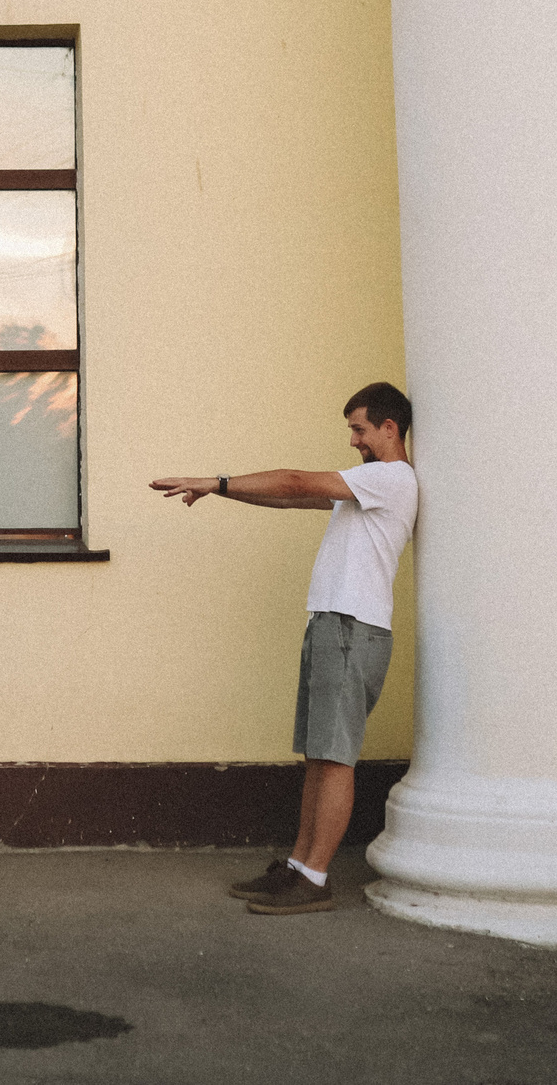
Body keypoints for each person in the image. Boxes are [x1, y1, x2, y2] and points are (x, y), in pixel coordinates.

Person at [148, 381, 415, 917]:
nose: (353, 441)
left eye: (359, 430)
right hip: (334, 625)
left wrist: (212, 478)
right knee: (320, 754)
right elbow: (291, 494)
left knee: (335, 758)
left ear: (390, 428)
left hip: (353, 628)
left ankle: (315, 878)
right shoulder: (368, 484)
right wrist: (221, 491)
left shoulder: (391, 477)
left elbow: (294, 478)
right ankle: (298, 868)